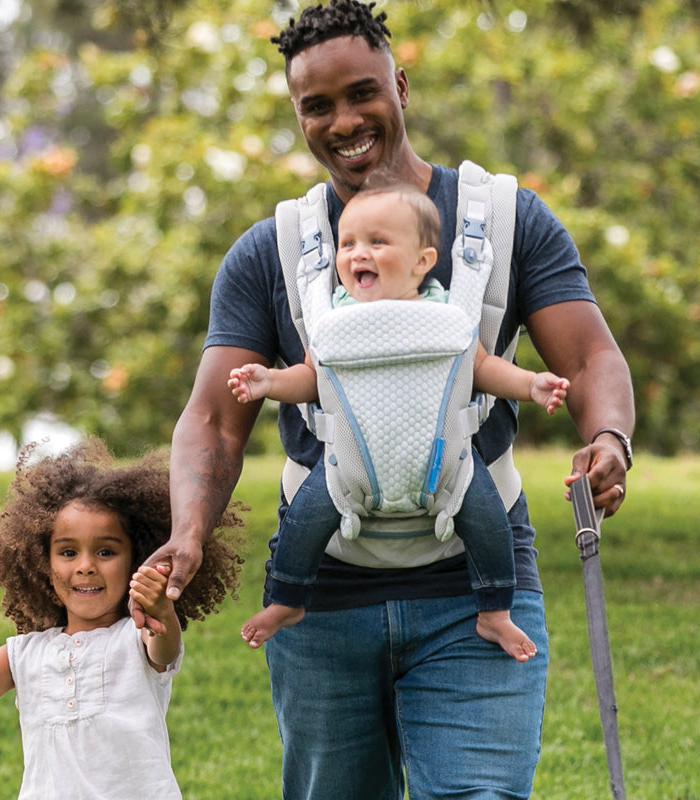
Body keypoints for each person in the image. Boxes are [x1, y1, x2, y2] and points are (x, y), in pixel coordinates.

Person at [139, 1, 635, 797]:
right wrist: (189, 530)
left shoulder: (506, 221)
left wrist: (609, 438)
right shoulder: (271, 252)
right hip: (321, 591)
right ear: (297, 114)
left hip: (476, 582)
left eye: (362, 93)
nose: (344, 121)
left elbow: (589, 354)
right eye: (317, 105)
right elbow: (213, 419)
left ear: (400, 86)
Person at [228, 178, 570, 659]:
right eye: (348, 243)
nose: (357, 254)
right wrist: (268, 382)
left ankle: (494, 611)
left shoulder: (446, 312)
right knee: (301, 526)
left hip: (447, 464)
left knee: (491, 525)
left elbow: (484, 368)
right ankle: (287, 599)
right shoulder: (332, 317)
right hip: (346, 468)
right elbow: (309, 378)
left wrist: (531, 385)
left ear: (422, 261)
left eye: (377, 242)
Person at [0, 438, 243, 800]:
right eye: (68, 552)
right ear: (43, 563)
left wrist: (160, 608)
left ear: (137, 559)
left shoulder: (136, 637)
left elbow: (164, 648)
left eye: (105, 552)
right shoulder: (21, 655)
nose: (86, 566)